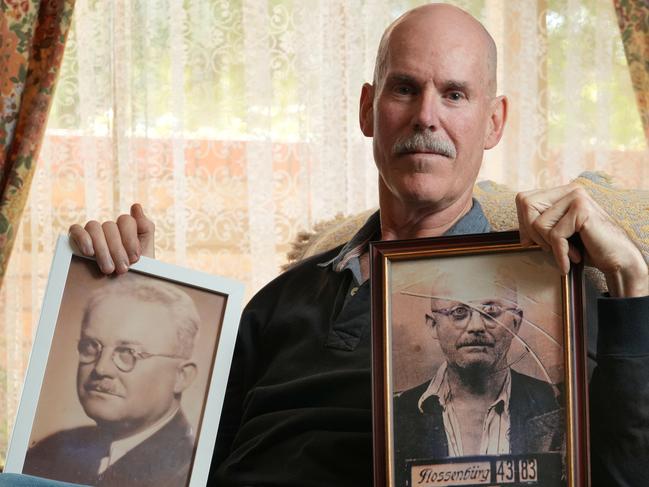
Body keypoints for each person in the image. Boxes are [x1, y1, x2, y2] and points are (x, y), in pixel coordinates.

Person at [4, 3, 648, 487]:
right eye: (405, 88)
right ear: (369, 110)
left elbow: (626, 471)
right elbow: (175, 457)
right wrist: (123, 281)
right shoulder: (279, 301)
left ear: (494, 122)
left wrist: (632, 287)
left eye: (454, 94)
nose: (427, 115)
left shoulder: (543, 292)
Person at [21, 275, 200, 487]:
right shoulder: (49, 449)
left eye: (127, 353)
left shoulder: (192, 472)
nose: (100, 368)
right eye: (90, 346)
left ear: (182, 377)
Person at [392, 273, 564, 485]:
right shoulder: (394, 414)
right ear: (432, 324)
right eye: (459, 312)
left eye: (491, 312)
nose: (476, 326)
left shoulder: (556, 404)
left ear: (516, 322)